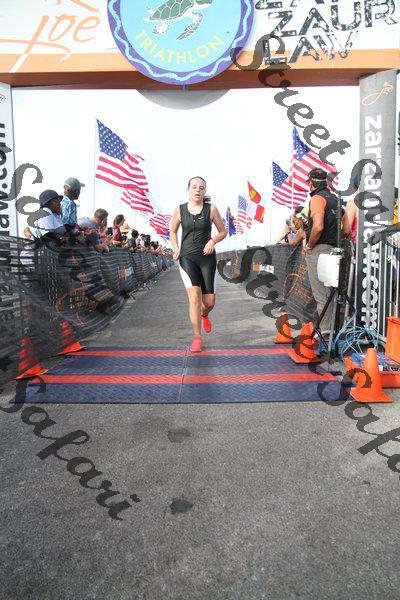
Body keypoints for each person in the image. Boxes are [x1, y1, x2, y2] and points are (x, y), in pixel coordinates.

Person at [170, 176, 227, 352]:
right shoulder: (179, 210)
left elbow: (223, 231)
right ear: (188, 189)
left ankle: (204, 314)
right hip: (187, 258)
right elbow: (172, 231)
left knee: (209, 302)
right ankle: (197, 337)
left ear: (205, 191)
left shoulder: (212, 209)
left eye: (201, 188)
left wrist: (213, 241)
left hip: (207, 259)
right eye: (194, 187)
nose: (197, 190)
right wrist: (176, 248)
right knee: (194, 297)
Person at [304, 168, 339, 333]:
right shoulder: (334, 198)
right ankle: (332, 330)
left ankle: (325, 332)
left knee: (321, 294)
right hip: (334, 249)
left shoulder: (317, 198)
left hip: (320, 250)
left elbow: (318, 227)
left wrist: (309, 245)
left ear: (311, 182)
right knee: (331, 293)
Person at [342, 175, 359, 244]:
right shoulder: (376, 202)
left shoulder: (353, 204)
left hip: (357, 244)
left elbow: (346, 230)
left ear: (354, 187)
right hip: (377, 245)